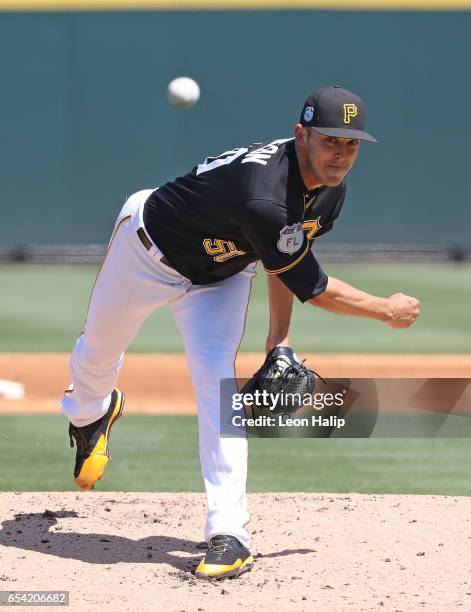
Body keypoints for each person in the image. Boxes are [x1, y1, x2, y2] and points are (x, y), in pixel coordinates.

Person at [61, 85, 420, 580]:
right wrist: (385, 308)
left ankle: (228, 531)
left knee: (218, 386)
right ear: (301, 136)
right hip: (146, 252)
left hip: (221, 278)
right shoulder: (264, 195)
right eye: (330, 141)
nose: (341, 154)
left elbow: (282, 262)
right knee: (97, 355)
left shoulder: (328, 191)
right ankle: (90, 415)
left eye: (351, 144)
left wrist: (279, 342)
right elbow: (312, 286)